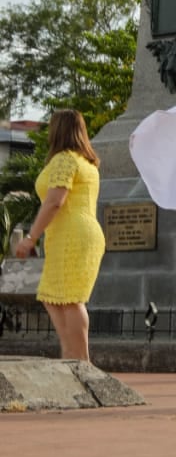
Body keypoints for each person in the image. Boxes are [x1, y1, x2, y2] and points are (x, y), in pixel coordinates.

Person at [13, 109, 106, 362]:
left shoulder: (66, 160)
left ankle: (81, 361)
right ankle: (70, 356)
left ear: (58, 131)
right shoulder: (85, 162)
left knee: (71, 299)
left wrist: (31, 237)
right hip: (71, 234)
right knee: (53, 296)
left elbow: (55, 201)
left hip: (73, 234)